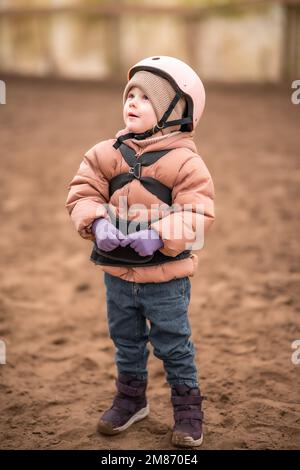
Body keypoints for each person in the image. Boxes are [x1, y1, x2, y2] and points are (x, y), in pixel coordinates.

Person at [65, 56, 215, 448]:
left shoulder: (186, 162)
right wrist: (96, 222)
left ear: (174, 112)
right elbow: (81, 193)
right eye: (130, 93)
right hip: (117, 275)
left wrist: (160, 235)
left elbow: (198, 213)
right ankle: (131, 400)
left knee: (173, 343)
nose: (132, 101)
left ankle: (187, 410)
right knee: (126, 341)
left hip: (165, 279)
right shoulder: (105, 153)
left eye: (146, 97)